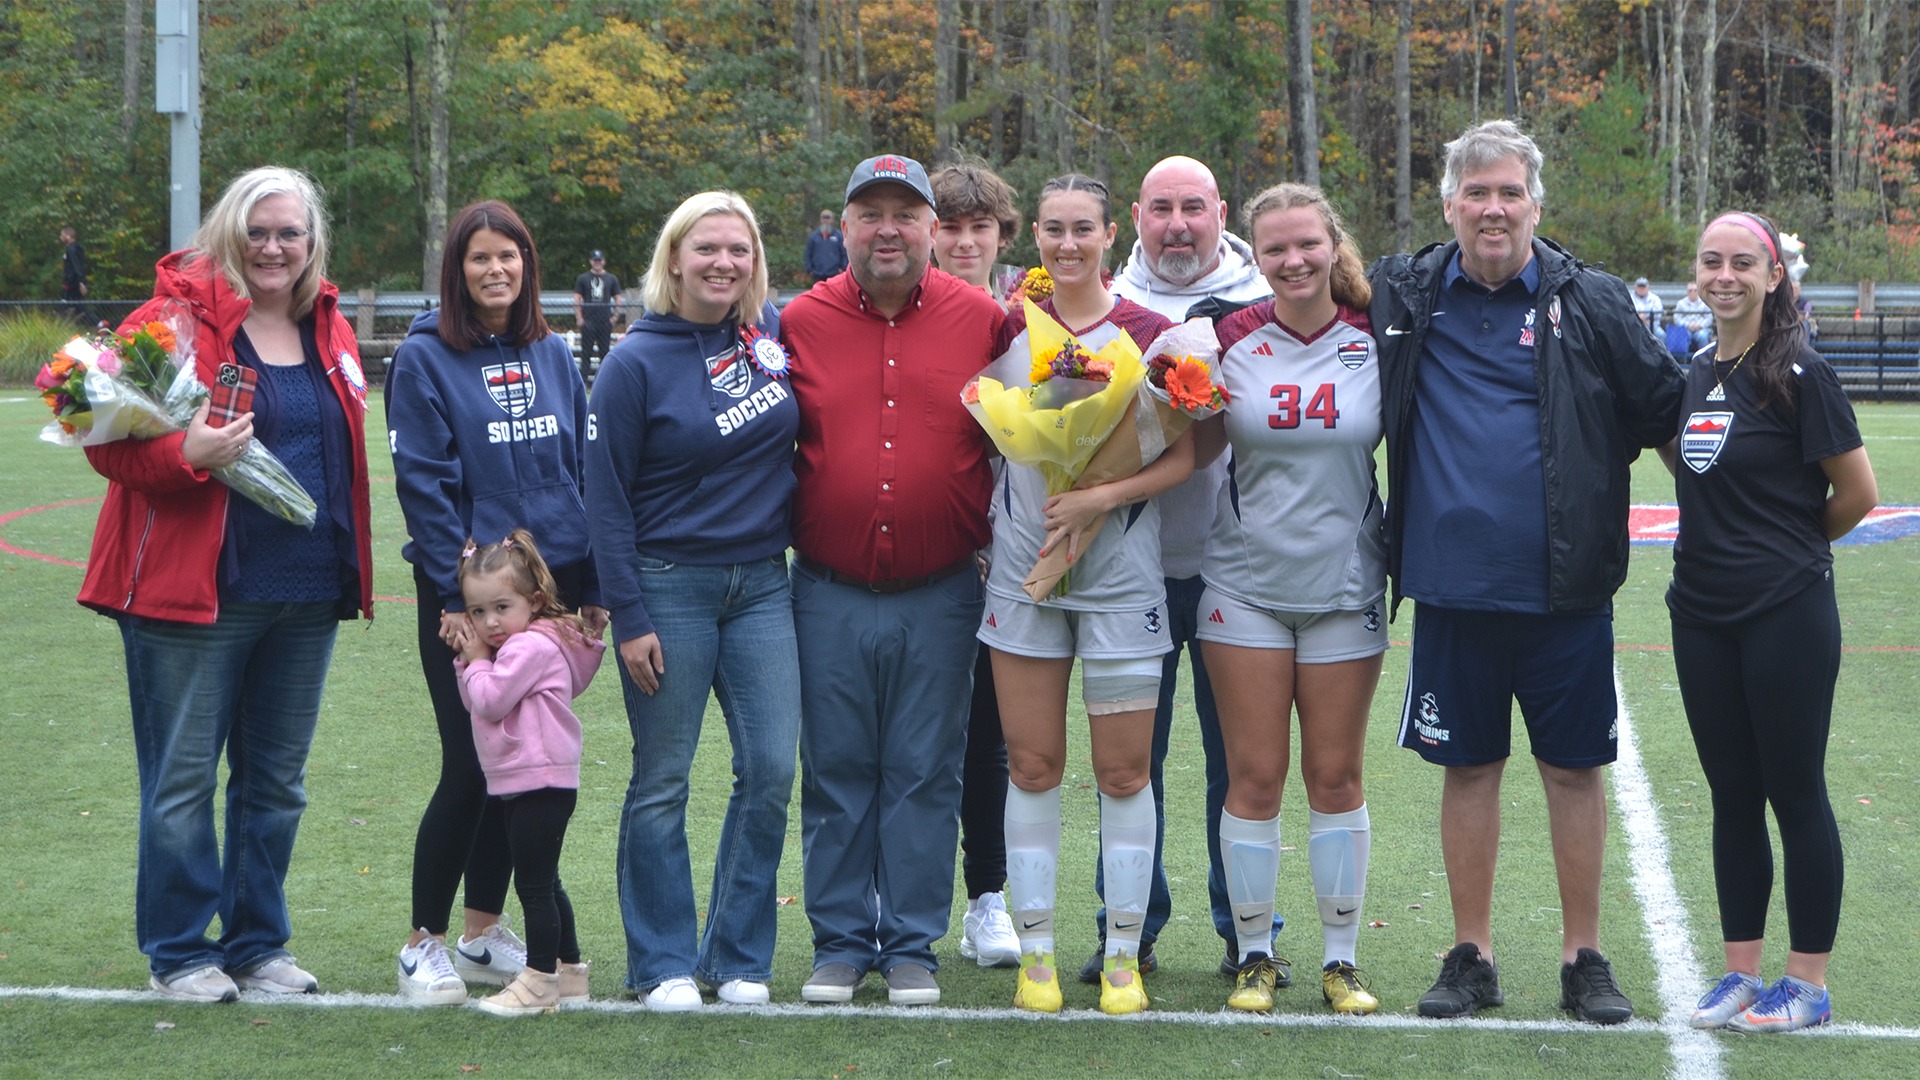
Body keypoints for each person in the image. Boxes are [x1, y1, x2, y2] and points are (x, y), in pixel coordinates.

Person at [1367, 120, 1685, 1025]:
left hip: (1566, 588)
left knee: (1573, 770)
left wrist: (1717, 514)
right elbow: (1298, 283)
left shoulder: (1593, 301)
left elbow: (1665, 410)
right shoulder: (1407, 289)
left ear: (1536, 205)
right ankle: (1472, 955)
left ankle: (1583, 956)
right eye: (1477, 193)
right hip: (1452, 589)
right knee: (1467, 770)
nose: (1493, 209)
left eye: (1509, 192)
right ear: (1449, 206)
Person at [78, 165, 375, 1002]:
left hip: (307, 594)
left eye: (290, 232)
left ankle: (257, 945)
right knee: (182, 780)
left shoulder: (331, 328)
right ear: (227, 233)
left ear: (312, 242)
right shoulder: (170, 319)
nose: (274, 247)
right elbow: (97, 436)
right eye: (258, 230)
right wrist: (186, 455)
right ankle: (181, 952)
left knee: (277, 783)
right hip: (195, 597)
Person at [781, 154, 1005, 1007]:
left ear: (931, 230)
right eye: (869, 214)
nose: (888, 230)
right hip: (828, 587)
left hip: (943, 588)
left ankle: (912, 943)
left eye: (905, 216)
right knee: (836, 766)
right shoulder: (797, 321)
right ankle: (840, 941)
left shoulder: (982, 319)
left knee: (925, 770)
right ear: (843, 227)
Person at [1659, 211, 1877, 1033]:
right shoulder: (1692, 370)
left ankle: (1808, 984)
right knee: (1731, 795)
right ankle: (1741, 973)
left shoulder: (1801, 371)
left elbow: (1857, 493)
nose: (1725, 275)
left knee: (1795, 792)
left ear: (1773, 275)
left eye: (1742, 263)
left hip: (1786, 610)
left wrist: (1788, 547)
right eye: (1711, 260)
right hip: (1700, 612)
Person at [586, 190, 801, 1011]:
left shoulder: (765, 334)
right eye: (706, 249)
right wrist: (629, 617)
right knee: (663, 779)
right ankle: (663, 961)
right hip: (668, 586)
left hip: (762, 585)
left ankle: (737, 955)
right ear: (673, 258)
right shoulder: (634, 361)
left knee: (773, 769)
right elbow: (602, 499)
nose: (723, 264)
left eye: (739, 251)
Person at [387, 199, 605, 1005]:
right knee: (469, 766)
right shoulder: (424, 359)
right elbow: (426, 485)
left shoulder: (550, 351)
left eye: (508, 257)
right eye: (479, 258)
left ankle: (483, 933)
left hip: (549, 600)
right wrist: (454, 600)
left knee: (522, 768)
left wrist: (589, 590)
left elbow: (579, 470)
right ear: (458, 268)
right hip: (469, 604)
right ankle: (423, 942)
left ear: (528, 265)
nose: (495, 271)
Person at [988, 174, 1195, 1017]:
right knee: (1033, 764)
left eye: (1084, 230)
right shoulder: (1002, 327)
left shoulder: (1155, 333)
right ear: (1034, 236)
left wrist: (1101, 497)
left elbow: (1191, 454)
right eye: (1052, 231)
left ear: (1113, 234)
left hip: (1122, 581)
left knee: (1123, 772)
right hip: (1022, 573)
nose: (1067, 245)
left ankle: (1120, 956)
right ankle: (1034, 952)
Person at [1194, 183, 1386, 1016]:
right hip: (1245, 587)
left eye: (1306, 244)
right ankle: (1256, 954)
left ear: (1332, 243)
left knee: (1336, 774)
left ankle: (1341, 962)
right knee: (1256, 776)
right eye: (1275, 248)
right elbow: (1185, 446)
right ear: (1254, 256)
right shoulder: (1222, 336)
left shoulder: (1380, 338)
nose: (1294, 260)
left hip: (1346, 585)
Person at [1102, 154, 1276, 987]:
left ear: (1221, 211)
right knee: (1130, 762)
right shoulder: (1097, 305)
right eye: (1162, 208)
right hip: (1126, 565)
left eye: (1193, 208)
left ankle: (1248, 930)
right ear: (1136, 213)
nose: (1177, 224)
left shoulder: (1269, 297)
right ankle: (1126, 927)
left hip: (1237, 568)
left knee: (1240, 760)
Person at [929, 157, 1023, 970]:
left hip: (1013, 557)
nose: (963, 242)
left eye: (978, 228)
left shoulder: (1029, 316)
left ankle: (988, 894)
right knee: (915, 733)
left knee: (993, 739)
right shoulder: (910, 310)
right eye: (949, 227)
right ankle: (899, 886)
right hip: (929, 552)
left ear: (1002, 235)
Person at [452, 530, 606, 1017]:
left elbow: (490, 700)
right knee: (546, 880)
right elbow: (478, 699)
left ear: (533, 601)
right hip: (535, 778)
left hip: (538, 779)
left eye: (501, 607)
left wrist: (475, 662)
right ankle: (568, 972)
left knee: (534, 887)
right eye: (478, 612)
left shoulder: (527, 649)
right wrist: (470, 664)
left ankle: (539, 979)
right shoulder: (522, 645)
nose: (490, 623)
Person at [572, 250, 623, 384]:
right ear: (591, 261)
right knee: (586, 353)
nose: (597, 263)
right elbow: (577, 298)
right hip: (588, 321)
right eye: (595, 260)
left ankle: (605, 381)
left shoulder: (611, 279)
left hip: (604, 321)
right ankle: (582, 382)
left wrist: (615, 316)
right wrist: (579, 318)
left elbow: (618, 298)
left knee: (605, 353)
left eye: (599, 260)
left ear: (604, 262)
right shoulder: (583, 278)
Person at [803, 208, 848, 284]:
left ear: (832, 220)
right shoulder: (813, 236)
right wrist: (810, 270)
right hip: (817, 275)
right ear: (821, 219)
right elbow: (808, 254)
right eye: (824, 218)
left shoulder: (839, 235)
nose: (826, 220)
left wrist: (842, 268)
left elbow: (844, 253)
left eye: (828, 218)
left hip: (835, 275)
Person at [60, 225, 94, 325]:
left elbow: (77, 266)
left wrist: (81, 282)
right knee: (79, 306)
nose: (60, 237)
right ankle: (97, 324)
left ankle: (98, 324)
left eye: (62, 235)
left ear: (68, 236)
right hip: (73, 282)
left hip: (72, 284)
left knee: (66, 304)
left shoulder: (72, 249)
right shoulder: (77, 248)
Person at [1673, 281, 1713, 351]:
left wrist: (1700, 325)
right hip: (1686, 329)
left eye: (1695, 290)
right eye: (1690, 290)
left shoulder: (1705, 302)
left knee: (1702, 336)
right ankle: (1682, 360)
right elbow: (1676, 318)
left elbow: (1709, 318)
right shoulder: (1681, 303)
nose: (1692, 292)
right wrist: (1687, 325)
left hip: (1701, 329)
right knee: (1682, 336)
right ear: (1687, 292)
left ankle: (1705, 359)